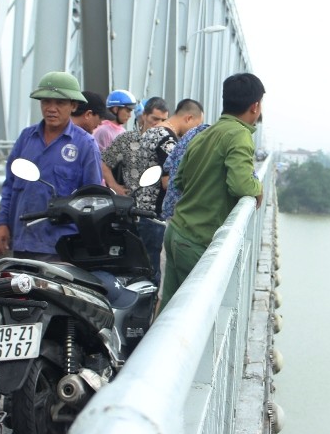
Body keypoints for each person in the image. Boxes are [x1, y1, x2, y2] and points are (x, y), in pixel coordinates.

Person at [159, 74, 265, 313]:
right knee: (193, 316)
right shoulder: (239, 134)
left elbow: (180, 179)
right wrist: (258, 188)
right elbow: (240, 185)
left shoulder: (204, 132)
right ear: (255, 106)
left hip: (176, 233)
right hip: (197, 241)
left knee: (168, 311)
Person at [0, 71, 103, 261]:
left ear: (73, 106)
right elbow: (10, 185)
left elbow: (93, 197)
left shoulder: (85, 144)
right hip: (22, 241)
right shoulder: (26, 138)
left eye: (60, 103)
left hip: (60, 247)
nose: (51, 109)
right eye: (46, 102)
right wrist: (2, 223)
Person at [134, 99, 204, 284]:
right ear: (188, 118)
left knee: (140, 271)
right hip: (153, 215)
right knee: (152, 275)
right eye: (195, 128)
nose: (193, 135)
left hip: (138, 210)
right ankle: (148, 312)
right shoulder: (168, 140)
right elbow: (169, 182)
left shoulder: (150, 132)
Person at [101, 96, 169, 196]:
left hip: (159, 207)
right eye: (155, 119)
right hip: (131, 204)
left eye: (163, 120)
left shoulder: (168, 144)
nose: (159, 124)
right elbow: (104, 162)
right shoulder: (127, 139)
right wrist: (114, 186)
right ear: (144, 115)